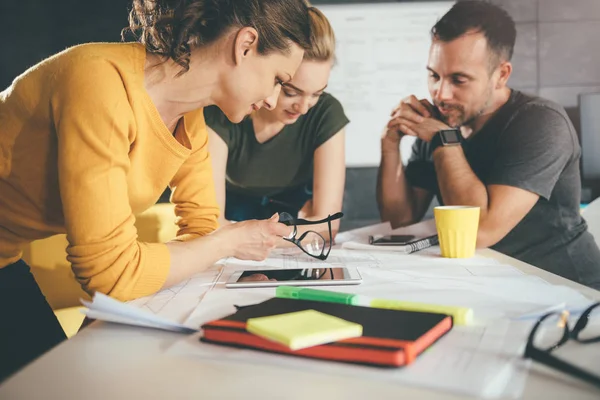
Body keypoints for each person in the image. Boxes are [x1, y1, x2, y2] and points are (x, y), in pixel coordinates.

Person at [0, 0, 312, 381]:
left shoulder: (191, 121)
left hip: (5, 256)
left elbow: (202, 231)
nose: (273, 101)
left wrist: (222, 246)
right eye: (279, 79)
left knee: (54, 380)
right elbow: (111, 275)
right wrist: (230, 241)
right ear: (245, 44)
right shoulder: (99, 81)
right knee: (47, 384)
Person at [376, 1, 600, 289]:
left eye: (459, 79)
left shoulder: (541, 122)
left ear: (501, 75)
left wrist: (444, 139)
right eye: (434, 75)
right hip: (496, 285)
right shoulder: (441, 122)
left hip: (571, 294)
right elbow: (399, 221)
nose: (440, 94)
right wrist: (389, 144)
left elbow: (479, 231)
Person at [206, 5, 348, 242]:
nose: (303, 108)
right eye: (291, 92)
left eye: (316, 94)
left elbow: (327, 225)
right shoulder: (222, 110)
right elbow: (210, 225)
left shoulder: (326, 113)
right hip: (231, 247)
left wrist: (252, 238)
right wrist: (298, 233)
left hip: (288, 250)